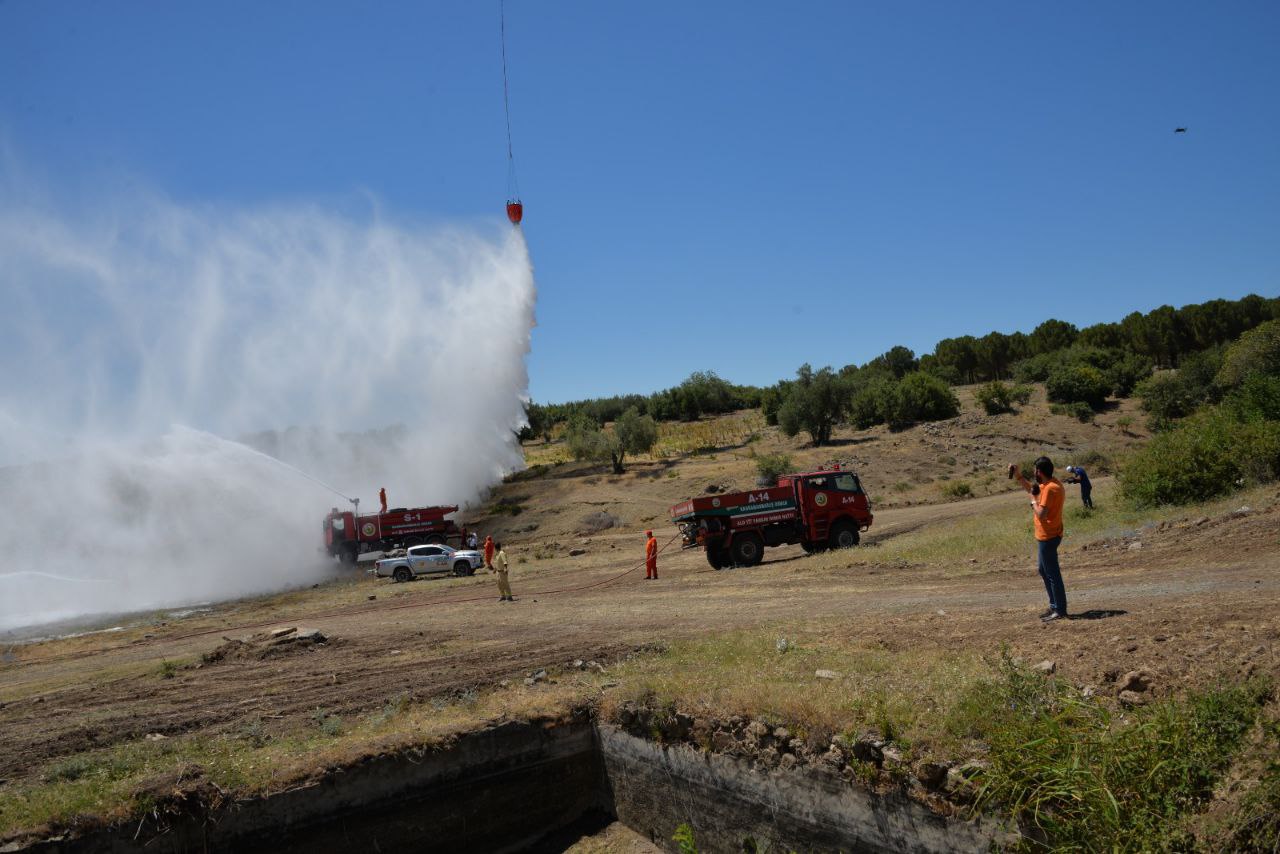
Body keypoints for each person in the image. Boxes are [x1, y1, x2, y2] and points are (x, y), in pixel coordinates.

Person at [1010, 457, 1068, 622]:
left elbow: (1041, 513)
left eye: (1035, 470)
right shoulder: (1049, 484)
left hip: (1048, 536)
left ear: (1039, 472)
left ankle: (1060, 609)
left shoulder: (1051, 489)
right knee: (1045, 571)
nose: (1034, 473)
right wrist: (1018, 476)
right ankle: (1054, 606)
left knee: (1052, 573)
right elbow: (1032, 490)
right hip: (1047, 535)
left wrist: (1033, 502)